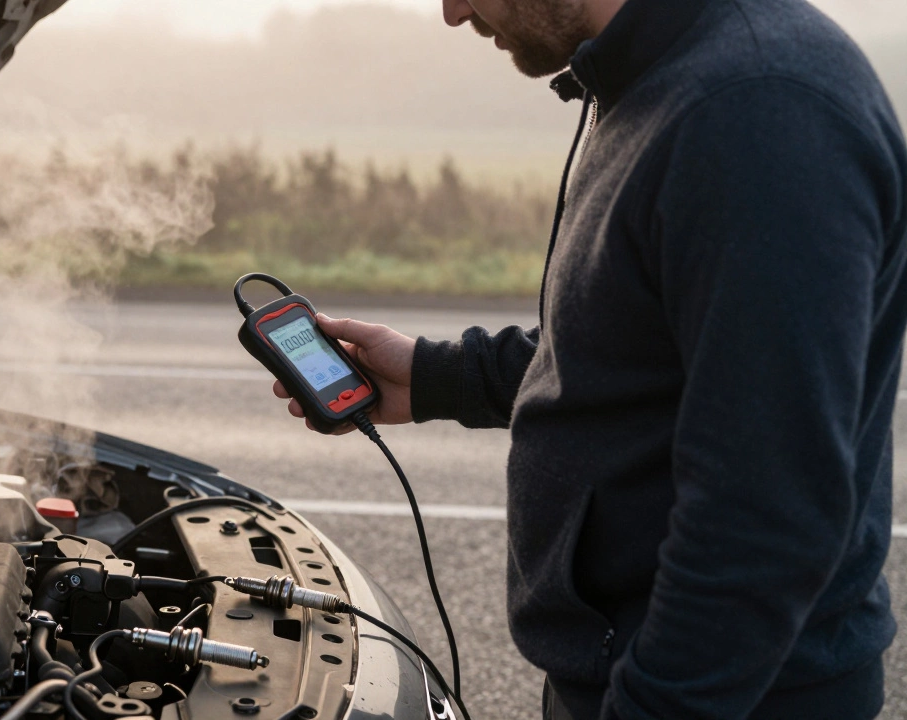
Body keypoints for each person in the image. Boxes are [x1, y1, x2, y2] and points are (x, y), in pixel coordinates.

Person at [270, 0, 907, 717]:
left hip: (728, 693)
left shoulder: (756, 112)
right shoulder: (654, 78)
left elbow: (763, 517)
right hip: (637, 666)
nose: (451, 12)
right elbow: (636, 348)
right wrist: (435, 376)